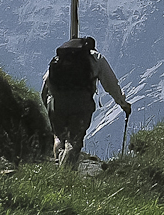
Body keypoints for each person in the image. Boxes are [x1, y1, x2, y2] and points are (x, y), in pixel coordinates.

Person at [41, 36, 131, 167]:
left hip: (58, 102)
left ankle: (58, 164)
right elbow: (111, 84)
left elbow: (46, 84)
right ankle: (66, 172)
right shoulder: (95, 58)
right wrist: (123, 103)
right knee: (74, 140)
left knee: (59, 137)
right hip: (82, 104)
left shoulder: (60, 59)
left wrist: (49, 107)